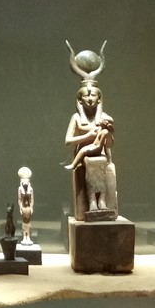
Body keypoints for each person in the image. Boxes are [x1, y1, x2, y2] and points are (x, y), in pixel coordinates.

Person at [64, 84, 114, 217]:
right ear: (80, 100)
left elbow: (109, 143)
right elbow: (68, 141)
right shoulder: (76, 117)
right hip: (84, 153)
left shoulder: (104, 117)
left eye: (93, 95)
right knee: (91, 162)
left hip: (100, 151)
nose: (90, 98)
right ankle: (92, 200)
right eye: (86, 95)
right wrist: (87, 136)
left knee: (100, 160)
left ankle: (102, 200)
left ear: (99, 99)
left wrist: (108, 134)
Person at [17, 167, 34, 244]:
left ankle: (28, 237)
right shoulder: (20, 189)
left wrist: (31, 208)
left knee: (28, 222)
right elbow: (19, 199)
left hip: (28, 207)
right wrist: (20, 208)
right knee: (24, 222)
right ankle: (24, 236)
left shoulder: (30, 189)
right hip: (23, 207)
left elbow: (31, 199)